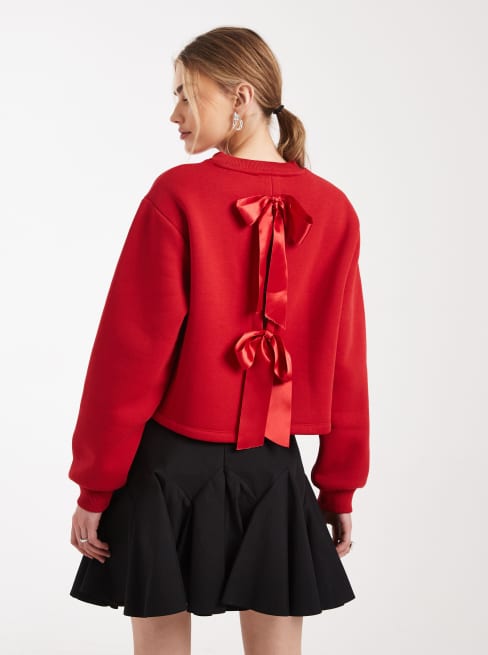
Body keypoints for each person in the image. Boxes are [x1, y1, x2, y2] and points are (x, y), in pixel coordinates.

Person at [68, 26, 370, 655]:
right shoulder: (334, 208)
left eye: (186, 93)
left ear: (240, 96)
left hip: (165, 467)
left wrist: (96, 484)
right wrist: (337, 483)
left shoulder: (177, 194)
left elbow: (129, 355)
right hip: (274, 467)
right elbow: (347, 362)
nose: (174, 112)